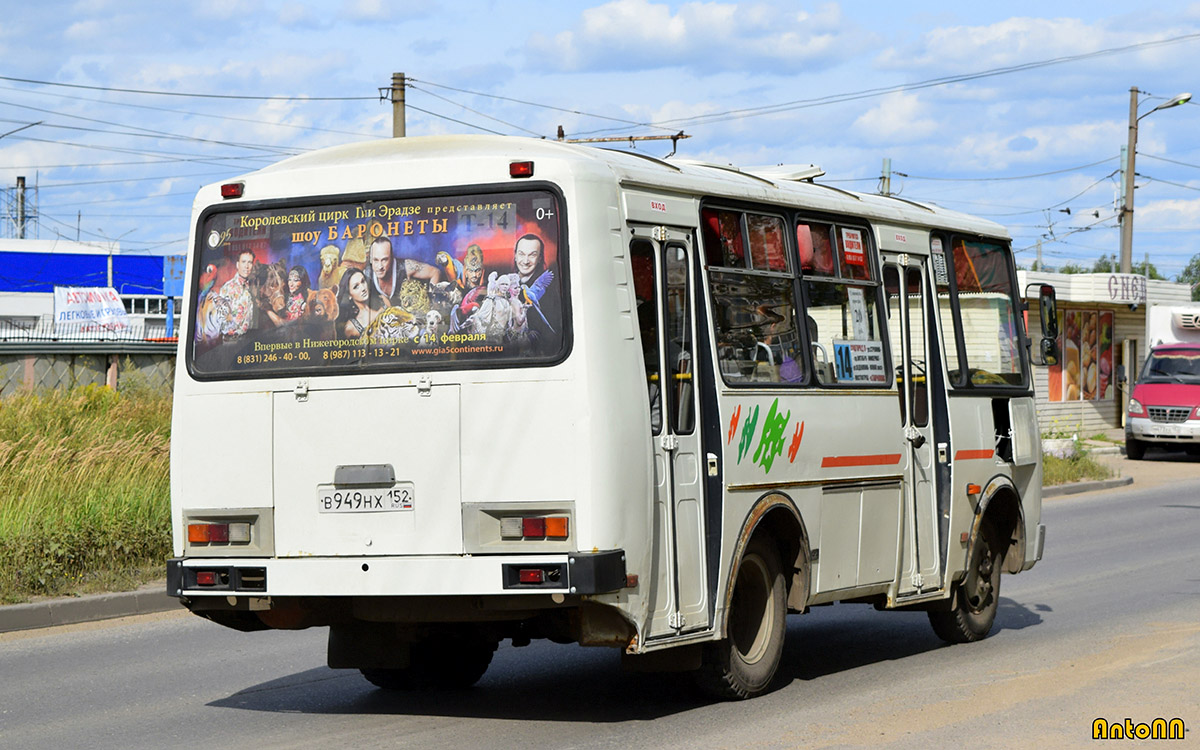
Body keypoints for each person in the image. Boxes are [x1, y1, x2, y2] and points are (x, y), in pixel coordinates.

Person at [511, 233, 560, 345]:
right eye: (521, 254)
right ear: (515, 256)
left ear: (540, 258)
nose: (526, 261)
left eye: (532, 255)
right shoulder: (506, 282)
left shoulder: (550, 289)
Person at [369, 236, 442, 305]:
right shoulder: (365, 275)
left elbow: (435, 272)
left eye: (384, 260)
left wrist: (431, 303)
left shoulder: (406, 267)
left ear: (391, 257)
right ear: (370, 259)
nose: (379, 266)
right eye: (375, 260)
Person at [215, 249, 256, 340]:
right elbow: (220, 317)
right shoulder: (228, 288)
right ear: (237, 265)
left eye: (249, 262)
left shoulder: (252, 287)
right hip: (231, 341)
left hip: (247, 340)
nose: (246, 266)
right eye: (243, 262)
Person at [337, 268, 384, 339]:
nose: (363, 288)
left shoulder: (382, 301)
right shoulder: (351, 327)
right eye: (356, 287)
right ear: (349, 295)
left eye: (363, 281)